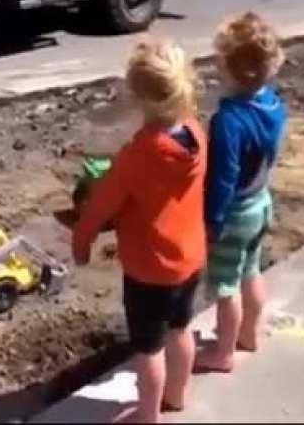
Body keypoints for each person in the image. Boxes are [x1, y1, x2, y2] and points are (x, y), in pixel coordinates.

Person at [72, 40, 207, 424]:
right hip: (190, 256)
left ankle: (147, 416)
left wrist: (81, 241)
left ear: (137, 97)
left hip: (150, 268)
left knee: (148, 349)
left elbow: (101, 206)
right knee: (181, 329)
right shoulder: (196, 135)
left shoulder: (138, 155)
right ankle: (177, 397)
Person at [195, 12, 286, 374]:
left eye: (220, 61)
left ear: (234, 72)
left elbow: (223, 177)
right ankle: (250, 334)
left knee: (225, 285)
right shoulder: (272, 104)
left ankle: (224, 352)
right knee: (251, 270)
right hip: (260, 202)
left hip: (234, 213)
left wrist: (212, 221)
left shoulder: (229, 119)